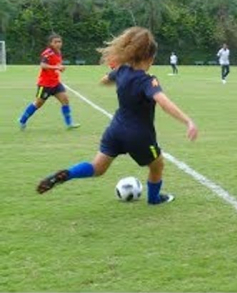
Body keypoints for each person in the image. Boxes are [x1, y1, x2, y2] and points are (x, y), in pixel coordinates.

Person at [36, 27, 198, 205]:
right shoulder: (147, 80)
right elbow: (164, 102)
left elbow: (104, 80)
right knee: (157, 165)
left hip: (116, 129)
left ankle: (68, 174)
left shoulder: (122, 71)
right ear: (150, 57)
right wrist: (188, 121)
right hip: (139, 135)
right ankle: (154, 199)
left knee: (97, 167)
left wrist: (118, 76)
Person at [18, 33, 80, 131]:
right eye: (55, 42)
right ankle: (22, 120)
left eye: (59, 42)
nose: (58, 44)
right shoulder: (47, 53)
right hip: (45, 85)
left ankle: (69, 123)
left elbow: (55, 65)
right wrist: (57, 67)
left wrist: (59, 69)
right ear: (51, 43)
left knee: (65, 99)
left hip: (55, 83)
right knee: (38, 104)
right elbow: (43, 65)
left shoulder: (58, 52)